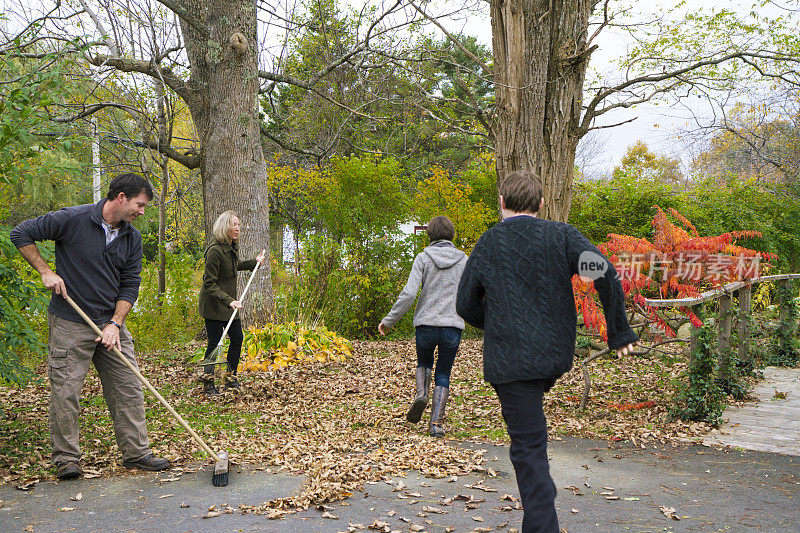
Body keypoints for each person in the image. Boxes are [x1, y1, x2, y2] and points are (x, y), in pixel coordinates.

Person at [456, 170, 638, 533]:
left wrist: (497, 321)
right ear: (541, 204)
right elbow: (604, 272)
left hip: (512, 360)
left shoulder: (489, 243)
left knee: (528, 448)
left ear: (502, 203)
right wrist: (618, 332)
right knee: (529, 436)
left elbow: (464, 304)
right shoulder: (562, 236)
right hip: (553, 354)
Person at [10, 172, 171, 480]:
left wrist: (115, 323)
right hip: (71, 322)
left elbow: (130, 284)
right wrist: (45, 271)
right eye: (140, 204)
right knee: (66, 393)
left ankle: (136, 453)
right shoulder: (72, 219)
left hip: (110, 324)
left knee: (128, 388)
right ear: (121, 197)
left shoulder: (131, 238)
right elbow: (21, 233)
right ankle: (67, 459)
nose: (141, 211)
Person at [378, 216, 467, 437]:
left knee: (424, 362)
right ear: (451, 235)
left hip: (426, 325)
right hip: (452, 326)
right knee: (444, 373)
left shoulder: (423, 258)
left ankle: (421, 394)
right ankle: (435, 424)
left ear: (430, 235)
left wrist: (389, 320)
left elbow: (409, 293)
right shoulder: (464, 260)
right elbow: (474, 293)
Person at [198, 210, 265, 395]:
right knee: (214, 343)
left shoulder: (231, 246)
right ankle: (208, 384)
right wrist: (230, 301)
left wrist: (254, 263)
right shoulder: (214, 251)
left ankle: (230, 378)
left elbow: (233, 267)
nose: (237, 228)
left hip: (229, 305)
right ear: (225, 226)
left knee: (237, 339)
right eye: (234, 224)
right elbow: (209, 283)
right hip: (213, 305)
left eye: (238, 224)